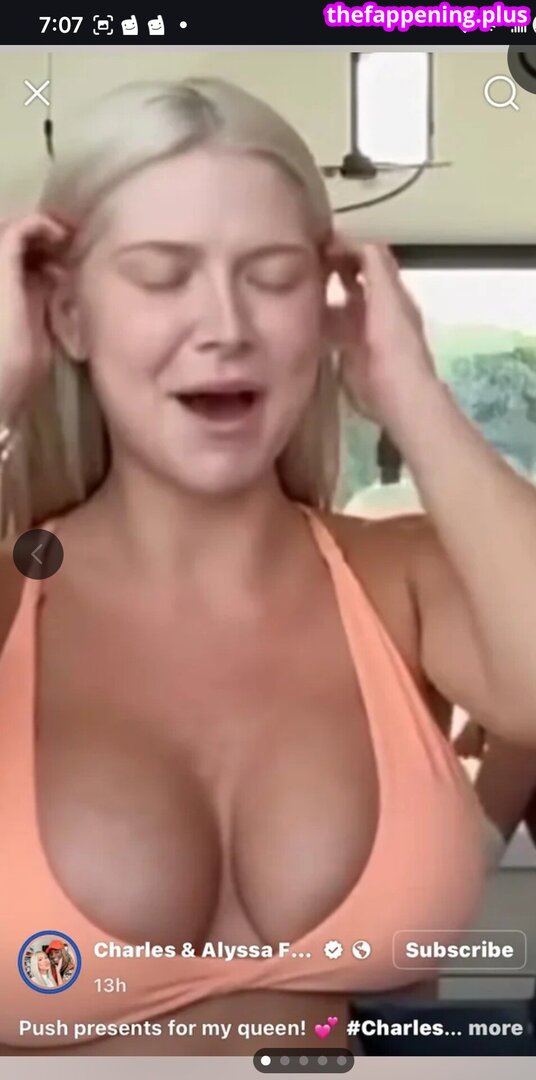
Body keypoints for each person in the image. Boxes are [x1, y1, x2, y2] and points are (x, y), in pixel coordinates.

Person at [0, 77, 536, 1058]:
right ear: (67, 318)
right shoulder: (12, 602)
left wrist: (409, 394)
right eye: (161, 276)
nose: (226, 326)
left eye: (273, 276)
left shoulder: (399, 581)